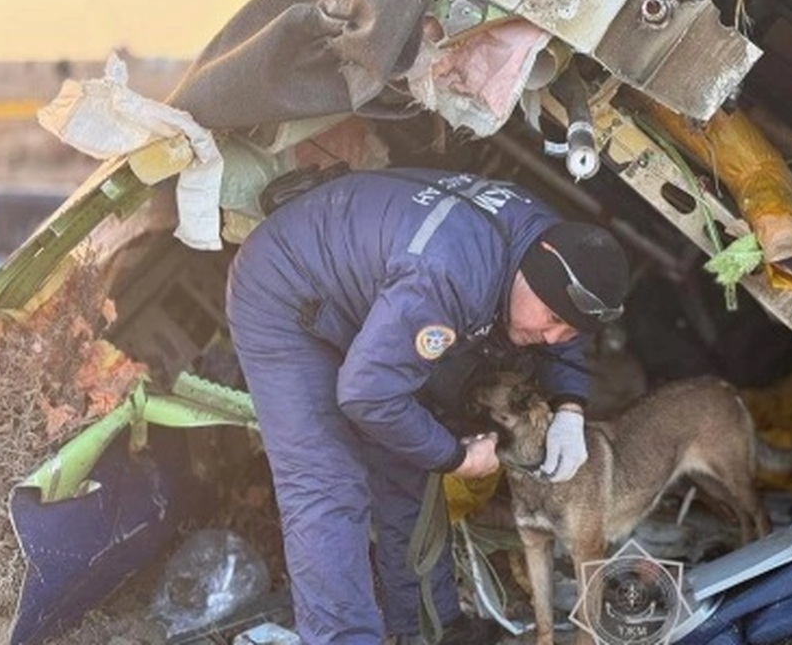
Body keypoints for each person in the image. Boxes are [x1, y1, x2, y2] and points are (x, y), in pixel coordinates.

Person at [225, 167, 630, 644]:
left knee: (404, 459)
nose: (554, 338)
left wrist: (570, 407)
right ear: (532, 274)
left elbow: (561, 330)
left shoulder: (548, 244)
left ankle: (431, 628)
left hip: (365, 288)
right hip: (286, 293)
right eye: (553, 320)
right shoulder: (450, 275)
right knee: (326, 484)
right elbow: (368, 394)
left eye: (571, 330)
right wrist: (456, 456)